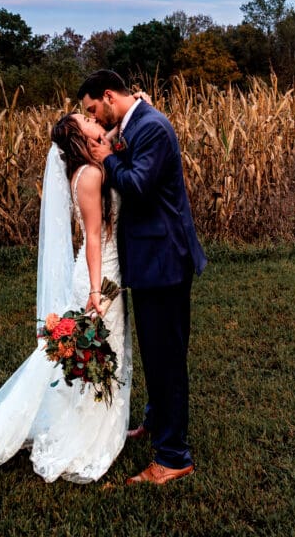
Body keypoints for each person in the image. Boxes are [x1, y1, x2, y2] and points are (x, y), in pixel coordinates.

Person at [0, 112, 131, 483]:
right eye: (87, 120)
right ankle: (90, 439)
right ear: (80, 137)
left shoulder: (85, 167)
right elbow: (93, 237)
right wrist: (96, 291)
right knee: (103, 355)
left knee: (101, 355)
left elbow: (111, 138)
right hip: (100, 276)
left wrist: (136, 106)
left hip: (102, 272)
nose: (96, 120)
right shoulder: (92, 175)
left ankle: (99, 423)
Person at [78, 69, 207, 486]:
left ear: (110, 96)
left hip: (164, 262)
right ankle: (155, 421)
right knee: (156, 352)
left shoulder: (150, 127)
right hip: (153, 260)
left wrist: (105, 158)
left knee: (167, 359)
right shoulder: (137, 122)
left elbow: (136, 185)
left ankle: (172, 457)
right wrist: (113, 146)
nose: (94, 120)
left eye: (94, 109)